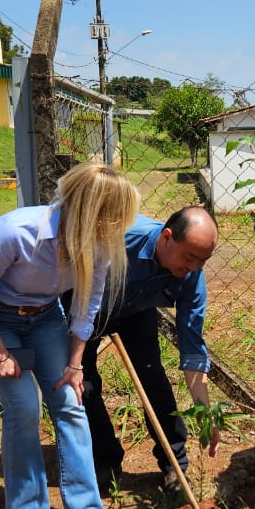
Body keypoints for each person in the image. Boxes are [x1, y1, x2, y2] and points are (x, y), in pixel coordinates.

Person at [0, 164, 140, 509]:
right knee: (24, 405)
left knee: (70, 400)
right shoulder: (15, 233)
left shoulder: (100, 245)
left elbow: (86, 306)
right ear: (91, 212)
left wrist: (75, 365)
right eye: (113, 219)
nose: (116, 230)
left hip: (45, 318)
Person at [80, 205, 220, 492]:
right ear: (167, 238)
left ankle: (174, 463)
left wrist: (205, 412)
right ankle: (104, 460)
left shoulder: (192, 274)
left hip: (135, 308)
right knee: (84, 384)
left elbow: (192, 346)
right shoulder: (117, 239)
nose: (194, 268)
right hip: (84, 306)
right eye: (190, 258)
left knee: (152, 378)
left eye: (202, 261)